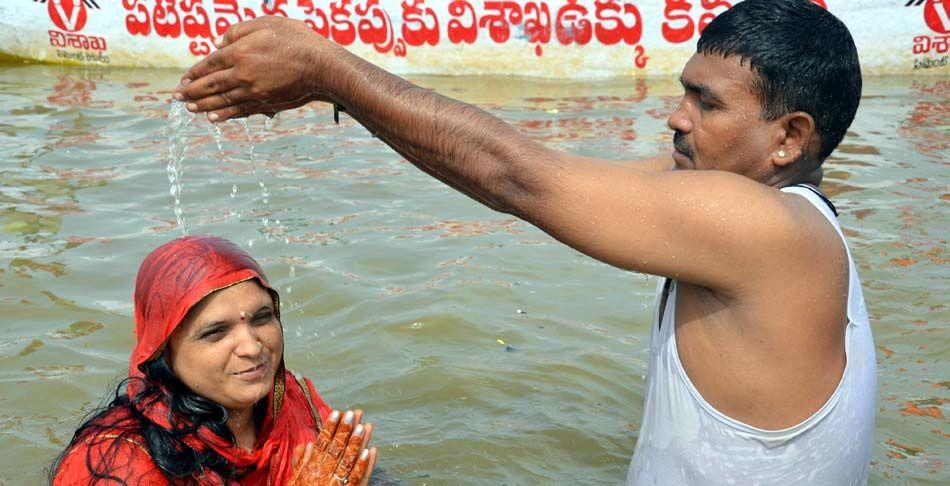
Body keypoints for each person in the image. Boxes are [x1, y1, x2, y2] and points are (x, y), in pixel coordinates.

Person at [173, 0, 876, 483]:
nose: (676, 118)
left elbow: (518, 179)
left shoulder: (767, 229)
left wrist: (329, 71)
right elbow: (514, 172)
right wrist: (340, 96)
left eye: (707, 103)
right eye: (685, 92)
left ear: (790, 138)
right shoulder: (763, 204)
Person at [51, 235, 378, 485]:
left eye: (262, 317)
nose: (252, 347)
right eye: (216, 332)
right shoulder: (116, 464)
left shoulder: (291, 403)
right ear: (162, 350)